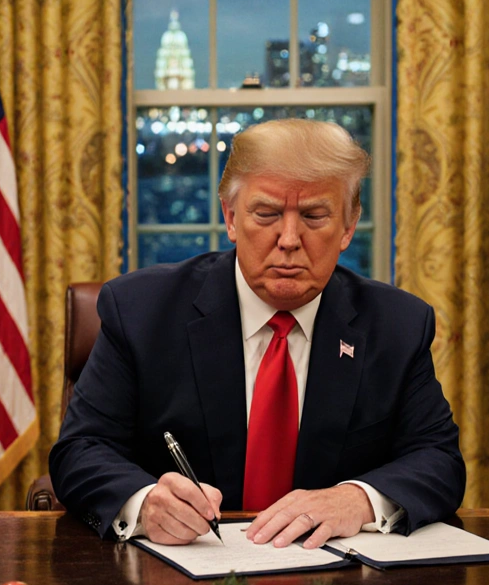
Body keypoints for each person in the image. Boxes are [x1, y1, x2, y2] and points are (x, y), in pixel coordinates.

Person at [49, 118, 465, 548]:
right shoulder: (140, 311)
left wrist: (356, 500)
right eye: (265, 214)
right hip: (180, 581)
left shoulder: (397, 325)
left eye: (314, 216)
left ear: (348, 226)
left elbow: (438, 460)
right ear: (231, 218)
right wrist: (145, 502)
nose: (288, 239)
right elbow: (80, 450)